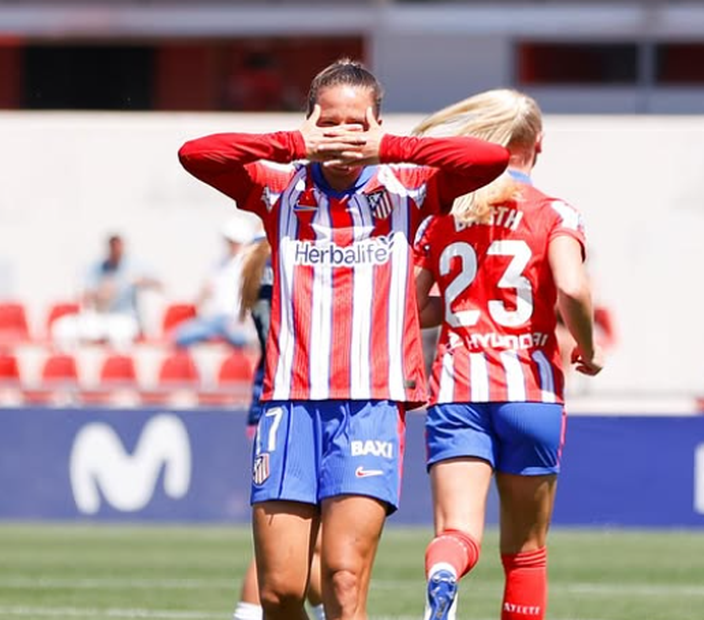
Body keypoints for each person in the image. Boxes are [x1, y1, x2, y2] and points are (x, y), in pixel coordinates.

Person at [179, 59, 509, 620]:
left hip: (371, 405)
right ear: (310, 120)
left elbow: (488, 159)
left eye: (356, 124)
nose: (341, 136)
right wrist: (290, 143)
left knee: (343, 575)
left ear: (376, 125)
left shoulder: (407, 187)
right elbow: (196, 153)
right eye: (328, 122)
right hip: (288, 404)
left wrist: (392, 148)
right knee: (282, 589)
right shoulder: (279, 185)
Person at [410, 89, 604, 620]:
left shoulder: (445, 215)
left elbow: (414, 306)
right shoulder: (554, 212)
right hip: (531, 392)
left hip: (457, 391)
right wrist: (587, 347)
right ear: (537, 145)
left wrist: (458, 303)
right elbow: (573, 287)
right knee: (526, 553)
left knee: (457, 531)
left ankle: (444, 572)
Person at [234, 237, 326, 620]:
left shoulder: (256, 259)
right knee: (291, 539)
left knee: (306, 539)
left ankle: (320, 612)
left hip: (266, 397)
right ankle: (247, 613)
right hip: (297, 396)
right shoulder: (297, 248)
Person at [52, 233, 162, 350]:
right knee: (63, 329)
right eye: (112, 248)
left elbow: (160, 285)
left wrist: (142, 281)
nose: (116, 251)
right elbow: (83, 295)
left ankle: (118, 366)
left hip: (125, 318)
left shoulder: (134, 266)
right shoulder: (97, 267)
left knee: (119, 335)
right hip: (102, 318)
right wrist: (99, 293)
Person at [174, 217, 256, 349]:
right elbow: (203, 295)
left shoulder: (250, 264)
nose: (231, 245)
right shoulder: (218, 264)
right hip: (215, 318)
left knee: (239, 339)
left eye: (234, 242)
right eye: (229, 241)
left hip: (236, 319)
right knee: (181, 336)